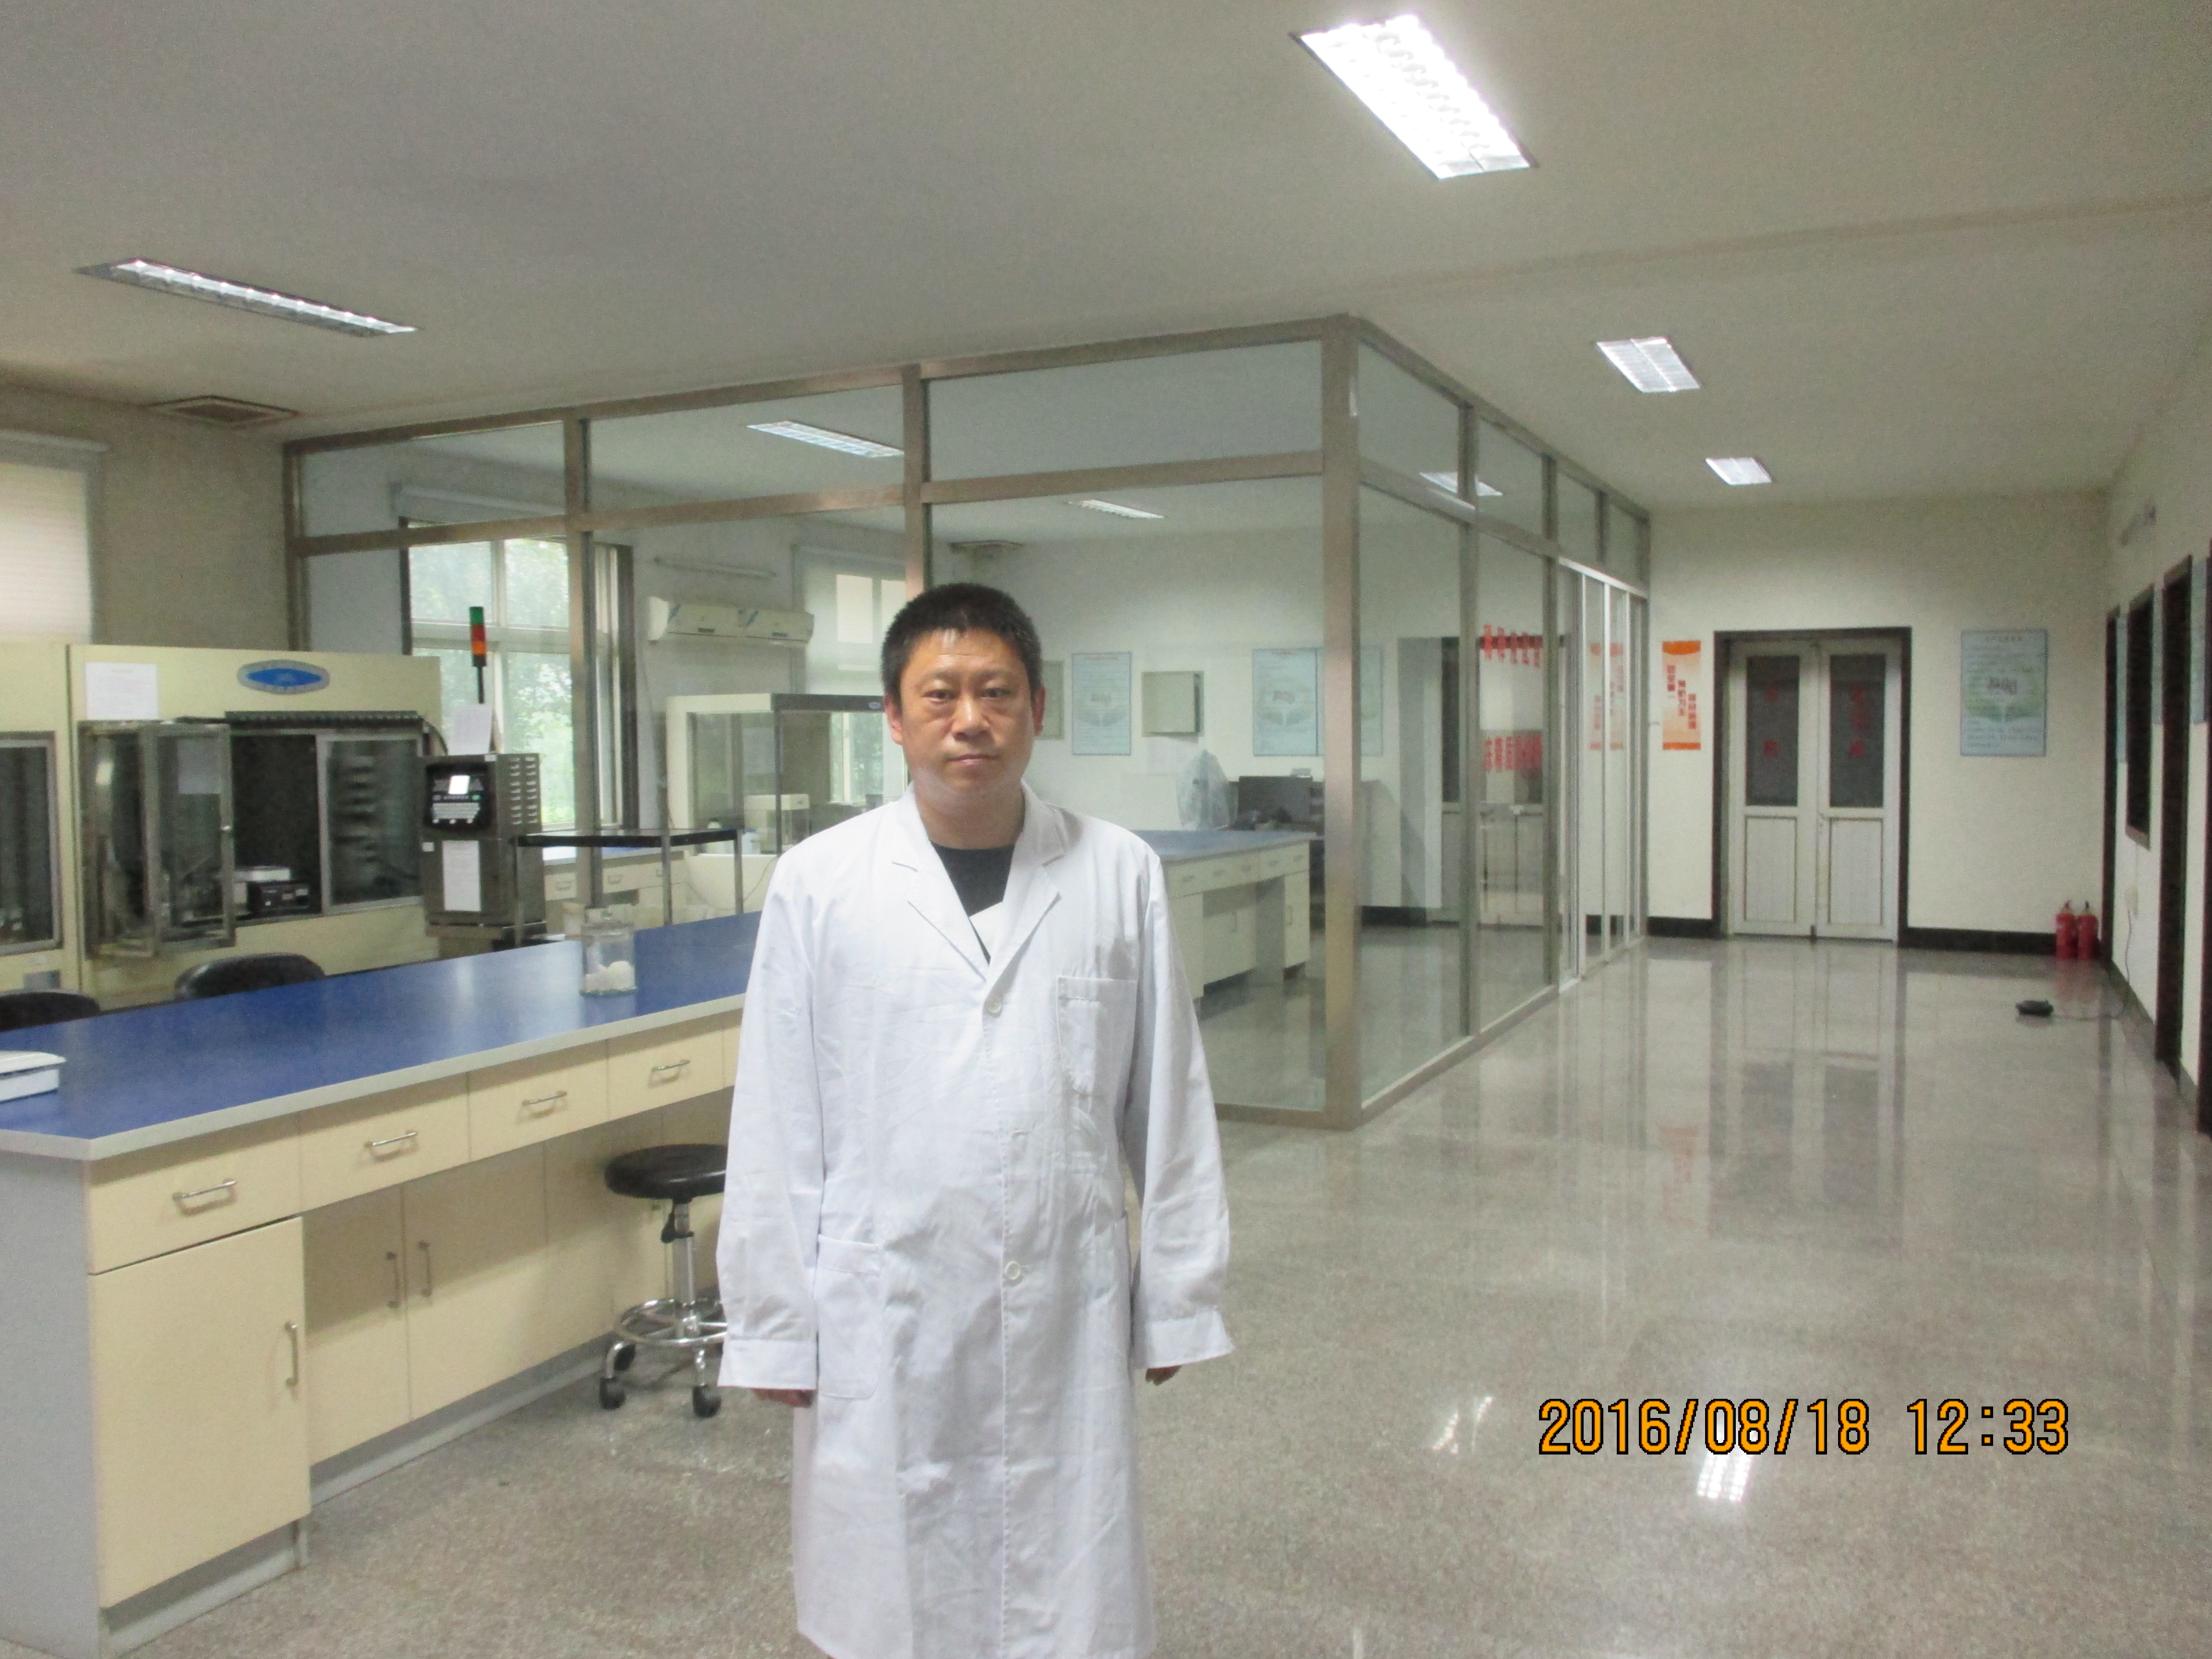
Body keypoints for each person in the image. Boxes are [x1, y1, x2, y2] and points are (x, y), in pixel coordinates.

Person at [716, 582, 1233, 1659]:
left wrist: (1179, 1297)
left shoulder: (1118, 872)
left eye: (996, 692)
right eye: (939, 694)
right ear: (893, 717)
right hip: (888, 1294)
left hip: (1063, 1291)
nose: (970, 720)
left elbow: (1170, 1102)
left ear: (1037, 708)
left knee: (1064, 1580)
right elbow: (777, 1116)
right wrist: (772, 1317)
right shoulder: (821, 883)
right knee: (895, 1582)